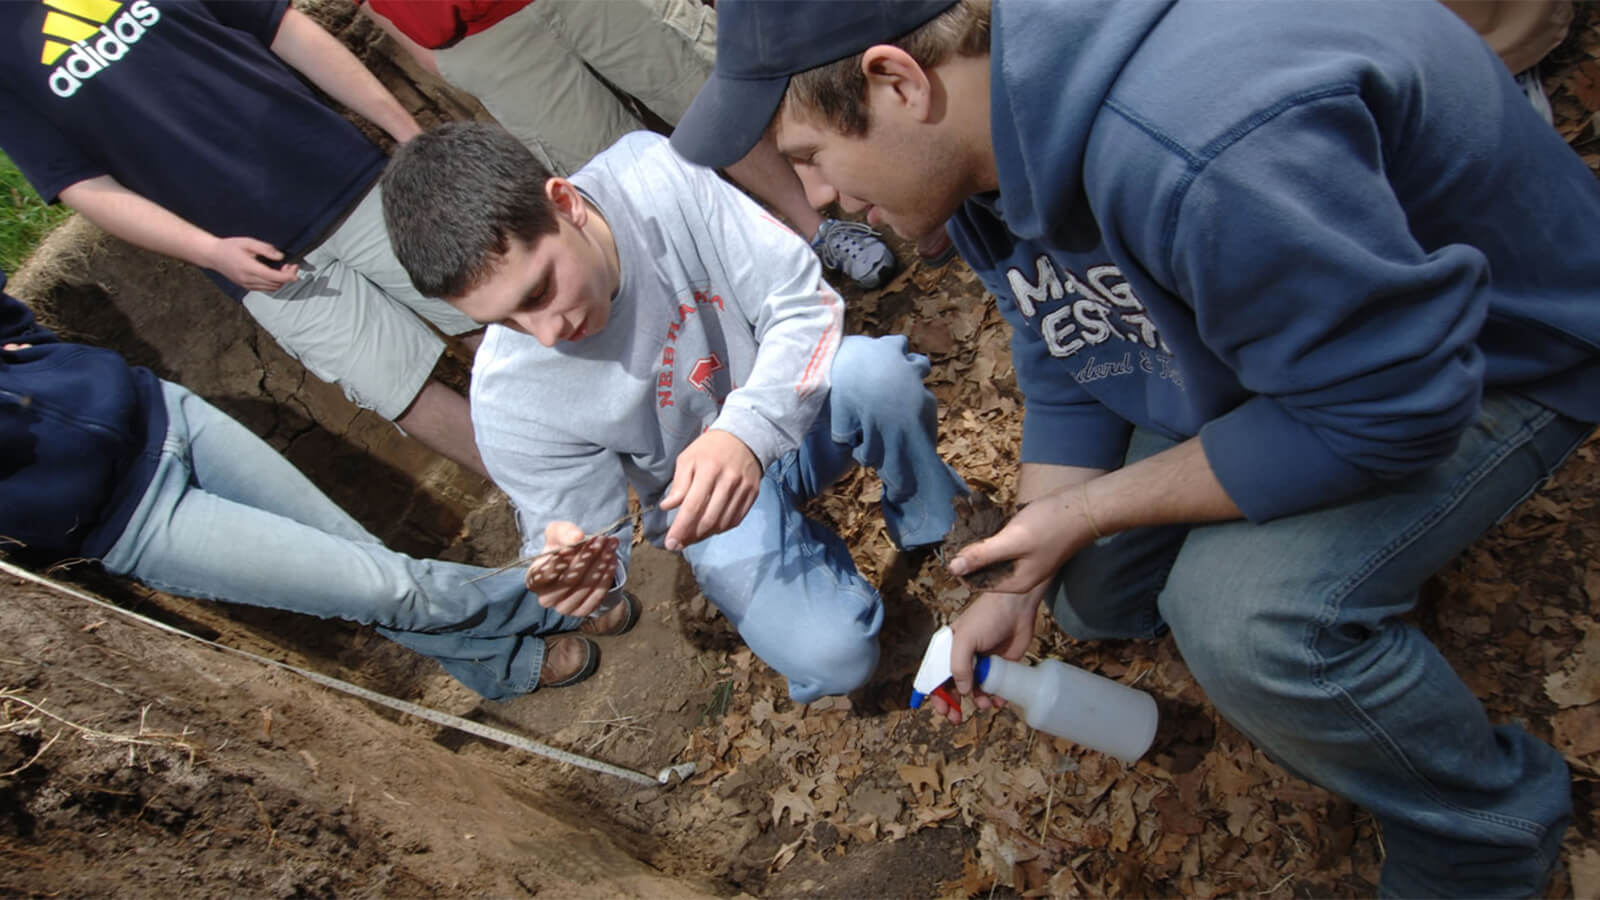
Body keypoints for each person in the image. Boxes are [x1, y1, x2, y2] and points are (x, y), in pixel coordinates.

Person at [670, 0, 1600, 895]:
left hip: (1495, 352)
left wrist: (1088, 507)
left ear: (896, 80)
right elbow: (1069, 342)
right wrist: (1023, 573)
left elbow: (1392, 408)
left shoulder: (1196, 147)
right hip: (1285, 340)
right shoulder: (991, 130)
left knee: (1241, 619)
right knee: (1091, 590)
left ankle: (1484, 833)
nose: (822, 202)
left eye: (811, 159)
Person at [380, 122, 968, 703]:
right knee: (834, 659)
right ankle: (828, 596)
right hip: (702, 504)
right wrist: (576, 563)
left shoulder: (653, 176)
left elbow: (802, 302)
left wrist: (744, 432)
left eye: (537, 293)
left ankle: (938, 525)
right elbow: (577, 533)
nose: (546, 334)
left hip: (795, 404)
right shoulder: (509, 393)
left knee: (877, 376)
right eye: (505, 321)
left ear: (564, 204)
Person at [0, 273, 633, 700]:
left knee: (369, 569)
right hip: (133, 520)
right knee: (385, 586)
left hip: (162, 413)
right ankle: (548, 598)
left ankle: (497, 666)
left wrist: (42, 358)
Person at [0, 0, 487, 477]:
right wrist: (207, 251)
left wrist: (406, 132)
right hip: (255, 263)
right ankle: (543, 494)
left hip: (350, 182)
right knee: (399, 390)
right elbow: (81, 184)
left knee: (483, 314)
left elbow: (283, 27)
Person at [358, 0, 921, 289]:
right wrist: (442, 58)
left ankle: (819, 228)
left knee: (702, 90)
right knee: (613, 172)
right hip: (475, 39)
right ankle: (754, 280)